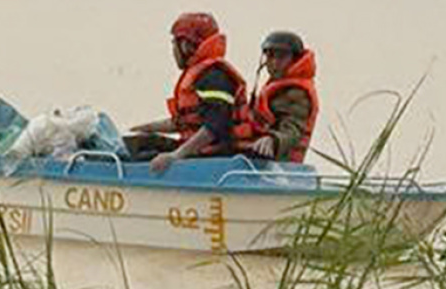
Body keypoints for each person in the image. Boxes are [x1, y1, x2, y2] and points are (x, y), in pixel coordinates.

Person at [125, 12, 250, 174]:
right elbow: (185, 121)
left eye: (174, 44)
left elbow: (215, 126)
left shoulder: (214, 77)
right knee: (137, 143)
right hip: (197, 150)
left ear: (186, 45)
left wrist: (176, 155)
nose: (173, 51)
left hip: (211, 157)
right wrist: (145, 128)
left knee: (137, 155)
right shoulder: (202, 74)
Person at [245, 30, 318, 162]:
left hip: (282, 164)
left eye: (281, 57)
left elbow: (293, 129)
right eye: (270, 56)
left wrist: (273, 140)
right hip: (262, 157)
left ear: (294, 59)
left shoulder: (298, 93)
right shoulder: (276, 86)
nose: (274, 62)